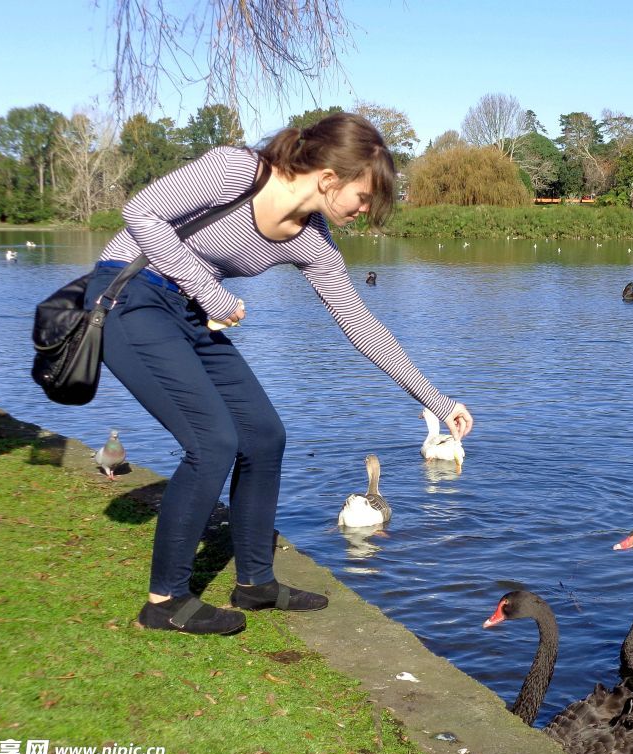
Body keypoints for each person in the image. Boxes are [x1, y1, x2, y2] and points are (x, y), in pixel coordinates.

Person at [84, 113, 473, 636]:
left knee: (264, 436)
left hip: (191, 309)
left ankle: (255, 583)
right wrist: (209, 289)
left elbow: (358, 321)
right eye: (363, 196)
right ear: (329, 178)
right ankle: (165, 601)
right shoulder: (235, 172)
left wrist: (436, 399)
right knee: (212, 441)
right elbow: (141, 213)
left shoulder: (313, 238)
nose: (365, 210)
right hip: (128, 294)